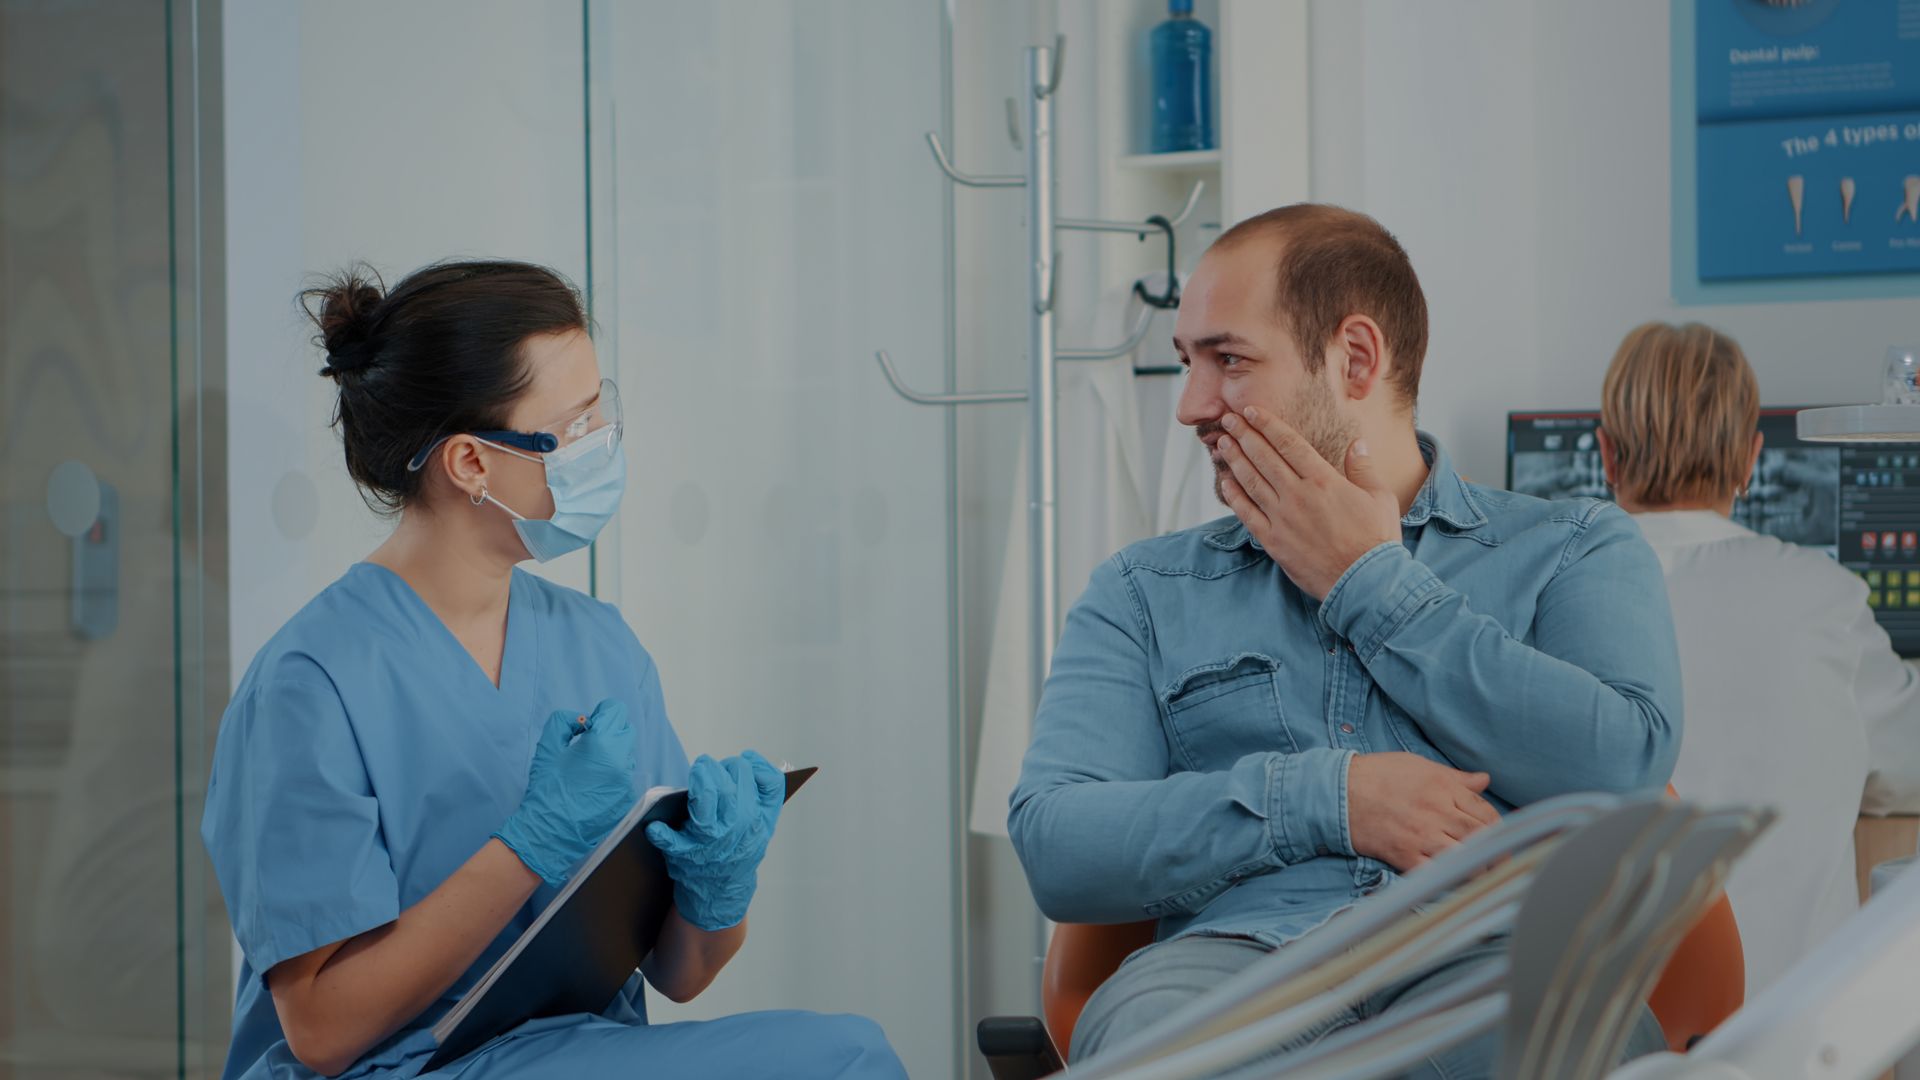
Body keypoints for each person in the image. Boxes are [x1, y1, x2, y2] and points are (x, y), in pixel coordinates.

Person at [1007, 204, 1682, 1075]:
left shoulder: (1572, 549)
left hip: (1498, 961)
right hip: (1230, 971)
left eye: (1229, 360)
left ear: (1354, 359)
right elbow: (1058, 844)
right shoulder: (1144, 591)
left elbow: (1624, 769)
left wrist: (1370, 582)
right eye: (1187, 363)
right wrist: (1330, 798)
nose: (1190, 407)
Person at [199, 261, 904, 1080]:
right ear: (470, 463)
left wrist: (718, 884)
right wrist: (530, 846)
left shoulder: (598, 647)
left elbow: (679, 975)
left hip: (573, 1052)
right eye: (575, 429)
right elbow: (321, 1030)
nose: (602, 447)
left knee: (850, 1054)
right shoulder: (310, 683)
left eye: (602, 413)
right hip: (393, 1071)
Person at [1597, 321, 1920, 996]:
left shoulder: (1541, 605)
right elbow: (1908, 767)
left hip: (1603, 1045)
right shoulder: (1823, 597)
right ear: (1751, 459)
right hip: (1794, 1044)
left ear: (1606, 454)